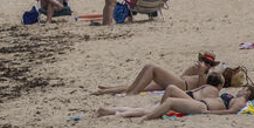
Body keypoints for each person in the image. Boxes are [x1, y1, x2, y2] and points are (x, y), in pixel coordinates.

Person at [97, 85, 254, 121]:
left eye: (244, 88)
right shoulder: (238, 98)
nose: (241, 89)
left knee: (169, 102)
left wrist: (210, 113)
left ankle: (145, 118)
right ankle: (111, 111)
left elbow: (231, 112)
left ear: (248, 92)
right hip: (201, 104)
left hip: (204, 107)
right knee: (154, 106)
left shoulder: (241, 100)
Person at [92, 53, 221, 95]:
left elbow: (199, 88)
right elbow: (182, 75)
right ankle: (107, 90)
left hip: (182, 86)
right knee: (142, 83)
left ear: (211, 65)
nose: (204, 63)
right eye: (203, 60)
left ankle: (131, 94)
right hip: (179, 82)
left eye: (207, 62)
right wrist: (193, 69)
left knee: (151, 67)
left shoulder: (209, 75)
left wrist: (201, 73)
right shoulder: (197, 68)